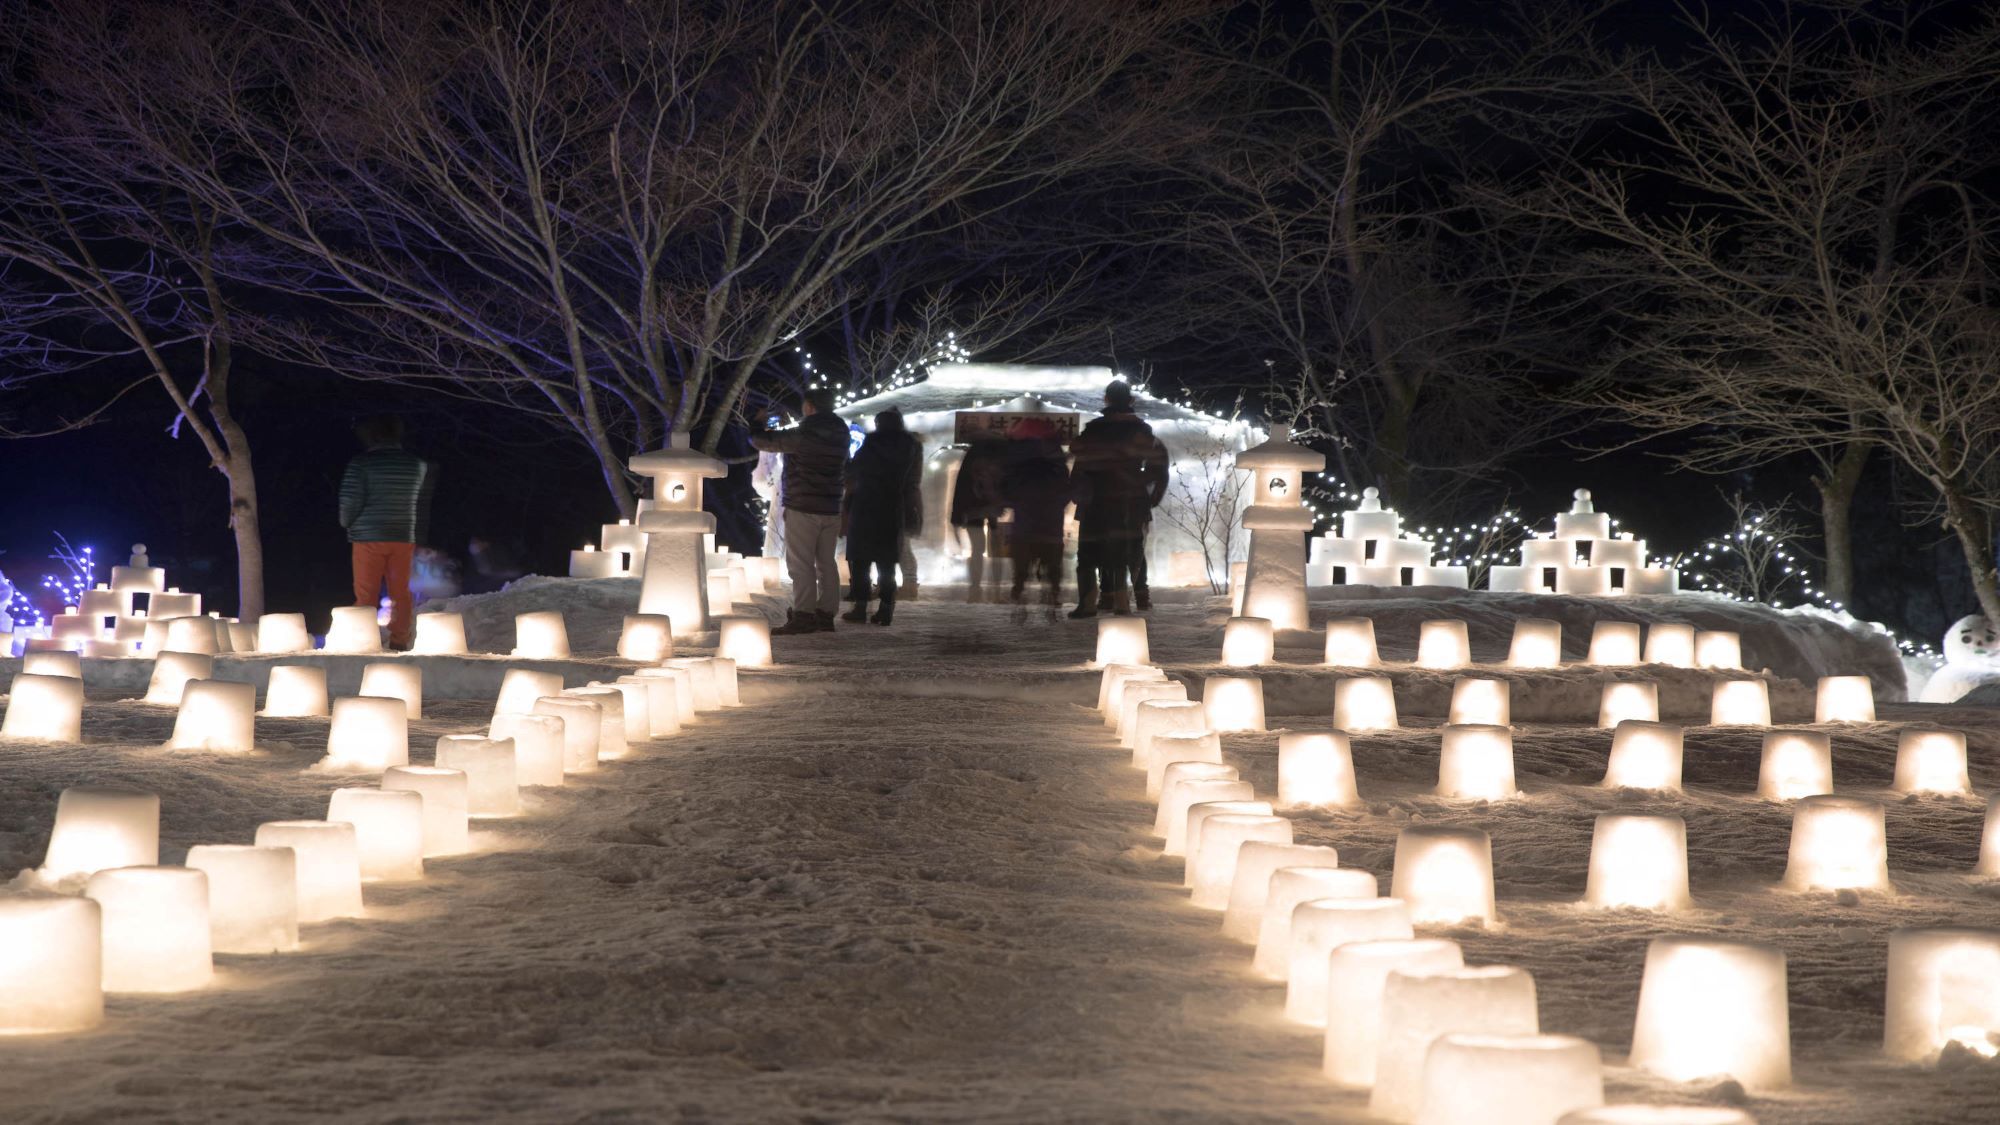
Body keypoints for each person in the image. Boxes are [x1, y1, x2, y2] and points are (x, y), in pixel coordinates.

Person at [750, 388, 849, 634]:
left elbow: (764, 442)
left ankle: (804, 615)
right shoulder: (842, 431)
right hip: (832, 505)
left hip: (804, 505)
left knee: (800, 563)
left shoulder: (806, 432)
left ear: (810, 406)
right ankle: (826, 614)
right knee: (826, 562)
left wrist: (757, 424)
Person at [1066, 380, 1167, 618]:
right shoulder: (1142, 431)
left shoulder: (1095, 429)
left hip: (1095, 499)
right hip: (1130, 500)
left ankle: (1088, 603)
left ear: (1106, 400)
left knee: (1088, 553)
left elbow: (1079, 461)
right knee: (1123, 551)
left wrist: (1078, 493)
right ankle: (1122, 603)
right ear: (1130, 401)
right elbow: (1158, 466)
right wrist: (1146, 491)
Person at [339, 414, 435, 650]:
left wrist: (347, 522)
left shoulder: (361, 464)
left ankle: (364, 640)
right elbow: (422, 502)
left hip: (368, 536)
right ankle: (400, 640)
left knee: (366, 592)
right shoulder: (417, 465)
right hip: (403, 536)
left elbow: (349, 502)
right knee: (400, 591)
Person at [840, 408, 922, 626]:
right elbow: (913, 481)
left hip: (865, 504)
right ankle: (886, 609)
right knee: (886, 562)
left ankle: (860, 607)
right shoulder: (911, 445)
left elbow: (853, 470)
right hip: (892, 506)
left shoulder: (872, 442)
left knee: (860, 560)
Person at [1001, 416, 1071, 622]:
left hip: (1024, 524)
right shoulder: (1057, 460)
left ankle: (1020, 596)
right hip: (1051, 524)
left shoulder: (1016, 460)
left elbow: (1008, 488)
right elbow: (1065, 490)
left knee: (1022, 568)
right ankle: (1052, 598)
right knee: (1053, 567)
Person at [950, 435, 1009, 600]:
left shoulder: (972, 460)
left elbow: (963, 489)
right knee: (990, 549)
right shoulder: (996, 460)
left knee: (980, 549)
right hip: (983, 508)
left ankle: (977, 589)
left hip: (975, 509)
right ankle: (990, 591)